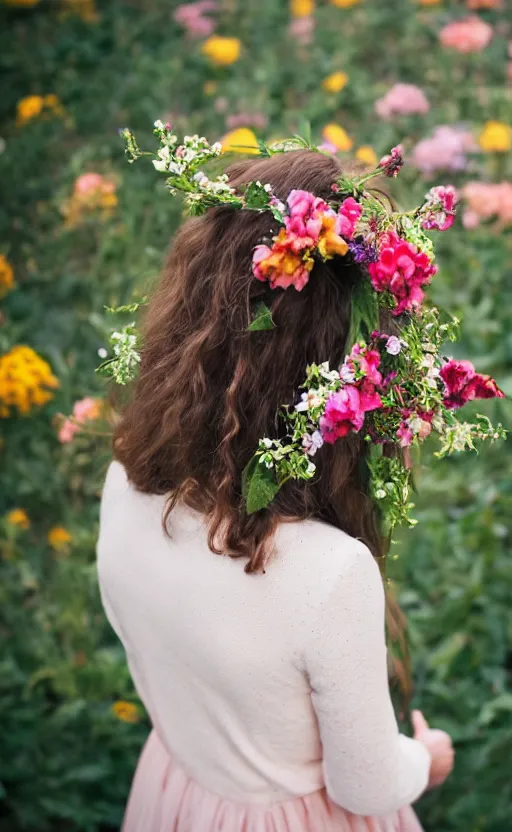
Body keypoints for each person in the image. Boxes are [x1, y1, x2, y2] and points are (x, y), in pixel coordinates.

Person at [97, 149, 454, 831]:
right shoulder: (327, 573)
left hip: (177, 794)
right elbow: (367, 785)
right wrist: (426, 760)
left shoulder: (125, 484)